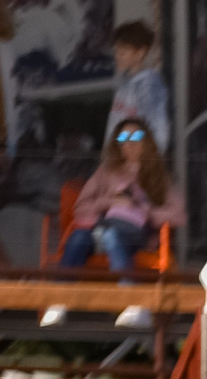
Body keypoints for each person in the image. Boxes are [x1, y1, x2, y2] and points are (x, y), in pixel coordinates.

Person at [48, 119, 182, 327]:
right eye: (122, 137)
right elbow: (81, 207)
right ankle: (59, 302)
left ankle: (133, 303)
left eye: (136, 137)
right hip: (104, 229)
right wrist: (110, 201)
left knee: (113, 236)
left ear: (147, 142)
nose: (128, 142)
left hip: (138, 233)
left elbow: (177, 214)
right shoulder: (106, 172)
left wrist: (144, 209)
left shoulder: (157, 175)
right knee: (79, 237)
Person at [105, 20, 171, 156]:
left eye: (123, 52)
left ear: (140, 53)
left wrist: (146, 162)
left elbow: (157, 129)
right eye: (116, 51)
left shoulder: (150, 86)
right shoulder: (123, 85)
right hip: (120, 161)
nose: (117, 56)